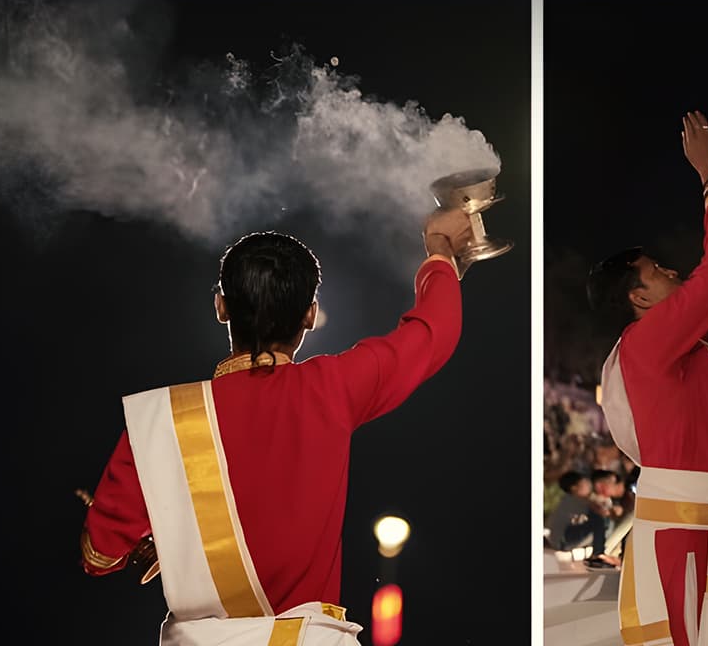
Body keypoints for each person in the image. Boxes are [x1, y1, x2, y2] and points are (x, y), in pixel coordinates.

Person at [79, 209, 476, 643]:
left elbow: (100, 555)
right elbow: (434, 332)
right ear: (310, 315)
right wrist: (440, 252)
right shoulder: (333, 387)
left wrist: (169, 536)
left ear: (222, 306)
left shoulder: (159, 418)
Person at [587, 112, 708, 646]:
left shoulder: (671, 343)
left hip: (707, 532)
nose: (671, 272)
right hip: (684, 538)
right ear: (638, 298)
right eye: (657, 271)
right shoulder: (647, 341)